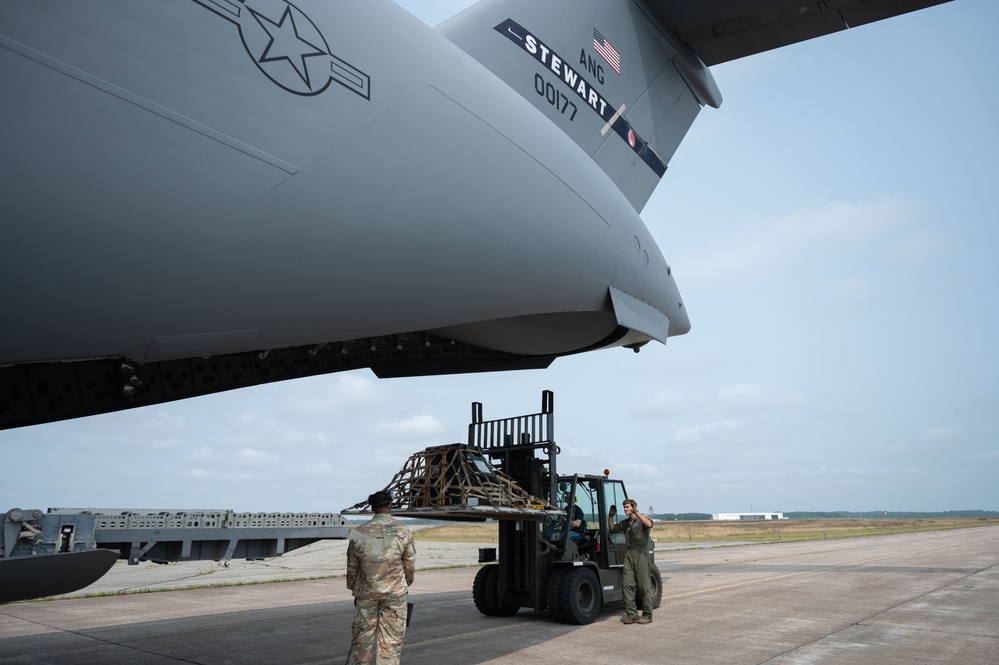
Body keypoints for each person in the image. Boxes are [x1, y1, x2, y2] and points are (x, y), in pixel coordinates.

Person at [346, 491, 416, 665]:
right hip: (394, 593)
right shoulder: (403, 531)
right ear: (390, 505)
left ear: (372, 508)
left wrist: (355, 588)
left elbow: (352, 567)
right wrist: (404, 584)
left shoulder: (360, 532)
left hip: (366, 593)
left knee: (363, 638)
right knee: (390, 641)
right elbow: (409, 566)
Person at [608, 498, 654, 624]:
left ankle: (647, 615)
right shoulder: (625, 523)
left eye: (628, 507)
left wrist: (637, 512)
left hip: (641, 553)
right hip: (629, 553)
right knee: (627, 584)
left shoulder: (641, 520)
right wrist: (610, 516)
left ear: (633, 507)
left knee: (644, 585)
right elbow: (612, 529)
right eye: (624, 507)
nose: (625, 509)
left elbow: (649, 524)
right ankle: (632, 614)